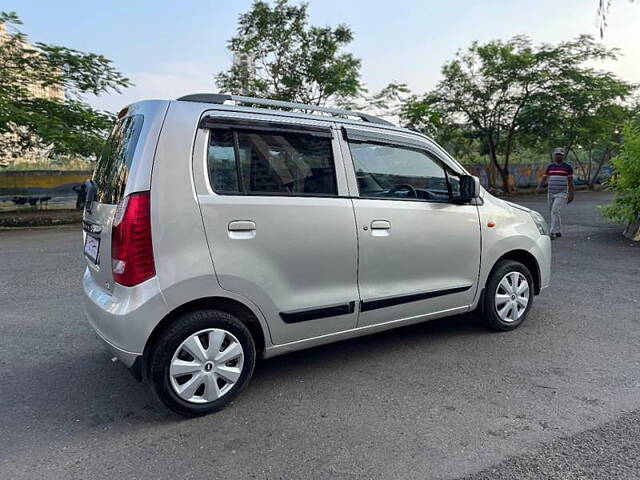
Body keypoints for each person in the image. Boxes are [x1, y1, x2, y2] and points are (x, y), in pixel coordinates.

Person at [536, 147, 574, 239]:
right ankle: (558, 231)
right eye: (556, 154)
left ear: (563, 156)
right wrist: (538, 187)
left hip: (561, 193)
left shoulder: (567, 167)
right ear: (554, 155)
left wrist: (571, 194)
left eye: (560, 155)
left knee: (554, 211)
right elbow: (544, 178)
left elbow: (570, 181)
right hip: (551, 193)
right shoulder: (550, 166)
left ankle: (552, 232)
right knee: (554, 212)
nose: (558, 156)